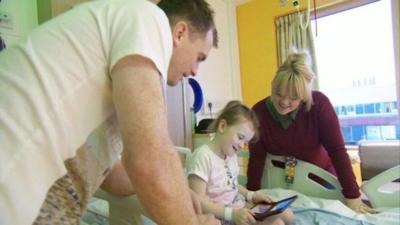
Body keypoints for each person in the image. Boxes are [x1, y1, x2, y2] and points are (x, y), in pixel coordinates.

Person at [0, 0, 222, 224]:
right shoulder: (147, 18)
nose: (195, 71)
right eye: (199, 58)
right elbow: (148, 160)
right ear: (180, 33)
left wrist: (179, 193)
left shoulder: (113, 86)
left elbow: (112, 176)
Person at [246, 51, 376, 214]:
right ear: (272, 85)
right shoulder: (258, 113)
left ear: (304, 96)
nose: (284, 102)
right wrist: (251, 197)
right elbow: (256, 160)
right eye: (279, 94)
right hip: (280, 184)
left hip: (322, 180)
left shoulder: (319, 105)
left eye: (293, 98)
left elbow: (337, 151)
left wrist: (353, 196)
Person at [186, 101, 294, 225]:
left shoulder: (230, 156)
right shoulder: (203, 156)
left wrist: (251, 195)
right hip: (217, 217)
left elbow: (232, 185)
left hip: (238, 210)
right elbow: (198, 201)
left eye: (246, 142)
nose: (242, 146)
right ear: (222, 126)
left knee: (287, 215)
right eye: (240, 137)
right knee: (277, 224)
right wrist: (231, 214)